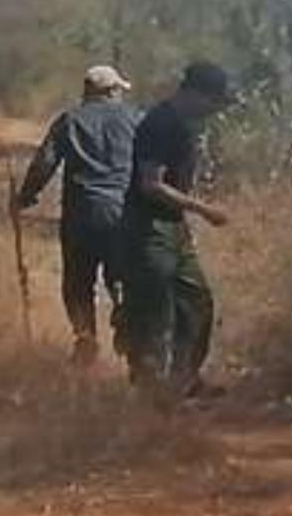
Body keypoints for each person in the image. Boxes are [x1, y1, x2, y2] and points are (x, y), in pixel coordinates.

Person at [121, 61, 234, 400]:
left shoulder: (186, 124)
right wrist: (203, 210)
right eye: (214, 102)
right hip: (148, 229)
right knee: (153, 312)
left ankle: (184, 379)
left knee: (198, 302)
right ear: (196, 94)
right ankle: (151, 394)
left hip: (173, 227)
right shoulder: (161, 124)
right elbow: (151, 185)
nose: (216, 110)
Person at [13, 65, 140, 365]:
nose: (121, 95)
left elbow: (45, 162)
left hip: (81, 214)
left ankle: (85, 337)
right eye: (119, 90)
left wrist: (26, 196)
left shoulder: (69, 120)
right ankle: (127, 324)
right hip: (123, 212)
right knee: (121, 276)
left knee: (78, 280)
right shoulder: (135, 119)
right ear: (110, 91)